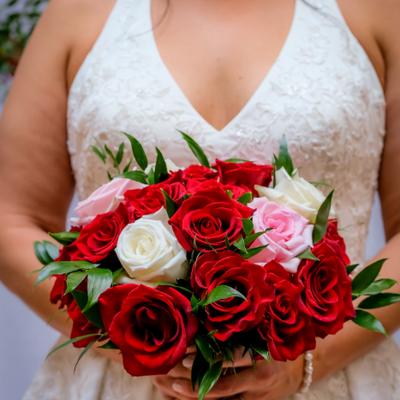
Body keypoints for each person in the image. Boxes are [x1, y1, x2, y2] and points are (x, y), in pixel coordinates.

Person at [1, 0, 400, 398]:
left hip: (333, 375)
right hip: (123, 381)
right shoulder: (80, 10)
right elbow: (12, 219)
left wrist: (306, 362)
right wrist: (134, 337)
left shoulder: (375, 9)